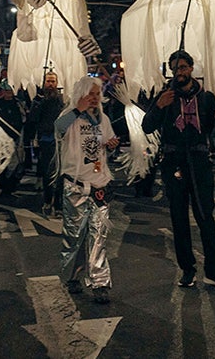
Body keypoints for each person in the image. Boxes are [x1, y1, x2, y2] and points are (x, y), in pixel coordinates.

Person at [141, 50, 215, 288]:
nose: (178, 72)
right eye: (174, 68)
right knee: (179, 217)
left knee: (205, 216)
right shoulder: (165, 95)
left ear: (191, 69)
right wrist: (159, 106)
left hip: (199, 162)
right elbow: (147, 127)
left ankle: (212, 269)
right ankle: (187, 269)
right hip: (174, 162)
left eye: (182, 67)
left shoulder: (206, 97)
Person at [54, 76, 119, 304]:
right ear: (80, 94)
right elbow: (58, 129)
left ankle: (100, 283)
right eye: (90, 93)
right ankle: (73, 276)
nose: (94, 98)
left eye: (97, 94)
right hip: (76, 186)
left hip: (100, 185)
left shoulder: (103, 119)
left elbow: (109, 143)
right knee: (74, 236)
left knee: (98, 236)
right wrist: (76, 110)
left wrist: (112, 145)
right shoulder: (69, 117)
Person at [24, 72, 66, 216]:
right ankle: (48, 201)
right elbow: (33, 120)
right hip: (46, 141)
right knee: (48, 173)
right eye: (48, 81)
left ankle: (59, 204)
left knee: (61, 173)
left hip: (60, 141)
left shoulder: (61, 99)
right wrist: (38, 103)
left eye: (53, 81)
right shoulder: (38, 100)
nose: (50, 84)